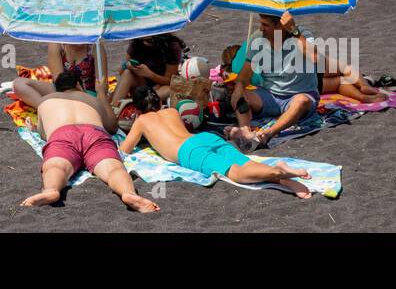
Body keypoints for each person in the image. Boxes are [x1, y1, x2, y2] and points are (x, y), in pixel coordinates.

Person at [122, 86, 312, 195]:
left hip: (188, 151)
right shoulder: (171, 111)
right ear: (159, 103)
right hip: (204, 138)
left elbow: (125, 149)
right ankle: (279, 173)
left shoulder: (142, 121)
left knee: (236, 172)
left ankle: (279, 173)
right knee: (244, 162)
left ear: (138, 110)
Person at [12, 70, 157, 212]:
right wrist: (101, 95)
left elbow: (45, 135)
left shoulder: (46, 101)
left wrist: (34, 129)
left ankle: (51, 190)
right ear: (78, 85)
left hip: (63, 133)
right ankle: (128, 193)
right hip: (93, 132)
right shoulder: (92, 99)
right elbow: (112, 127)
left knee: (56, 166)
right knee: (114, 169)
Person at [231, 10, 321, 148]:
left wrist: (294, 31)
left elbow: (315, 58)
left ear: (279, 26)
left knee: (301, 101)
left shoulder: (302, 35)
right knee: (242, 95)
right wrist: (238, 88)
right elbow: (245, 73)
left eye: (265, 25)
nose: (261, 28)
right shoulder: (258, 38)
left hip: (299, 95)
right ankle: (245, 132)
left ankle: (267, 134)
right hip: (270, 95)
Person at [110, 35, 182, 106]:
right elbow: (121, 72)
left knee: (169, 90)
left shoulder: (171, 46)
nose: (144, 42)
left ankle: (135, 103)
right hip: (141, 86)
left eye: (149, 40)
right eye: (142, 40)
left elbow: (169, 80)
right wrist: (127, 66)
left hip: (159, 87)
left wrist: (149, 74)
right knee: (127, 73)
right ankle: (114, 107)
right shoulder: (136, 42)